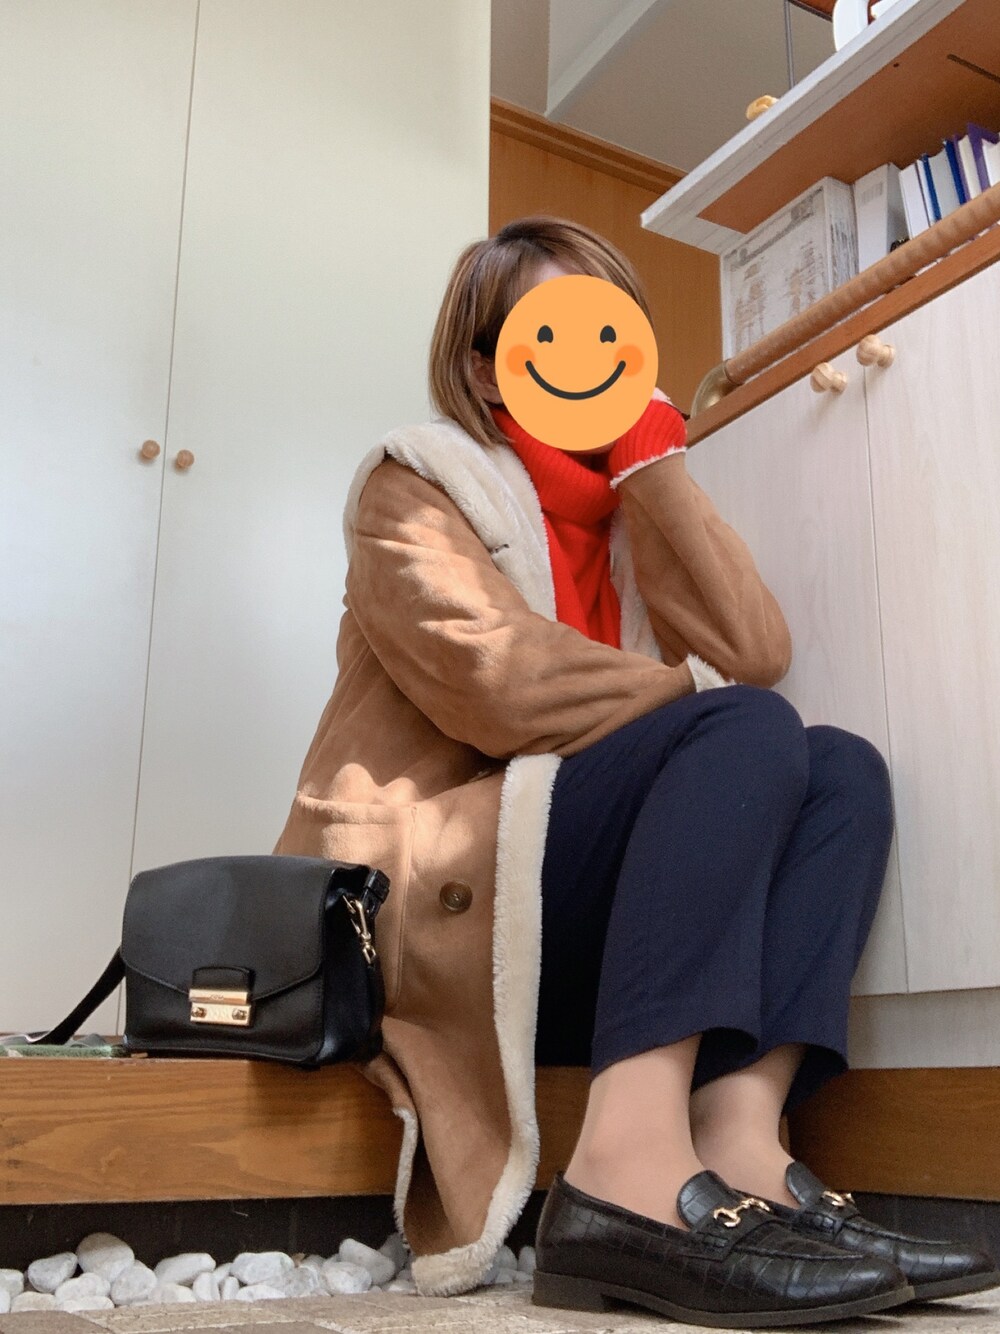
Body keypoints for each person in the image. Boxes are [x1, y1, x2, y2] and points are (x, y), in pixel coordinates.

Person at [273, 216, 998, 1324]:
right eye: (553, 328)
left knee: (840, 767)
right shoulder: (413, 486)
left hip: (589, 939)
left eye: (610, 328)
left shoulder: (629, 506)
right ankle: (621, 1170)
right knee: (742, 727)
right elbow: (500, 687)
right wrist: (699, 698)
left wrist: (658, 474)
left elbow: (756, 646)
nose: (589, 353)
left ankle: (739, 1140)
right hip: (447, 915)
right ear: (487, 368)